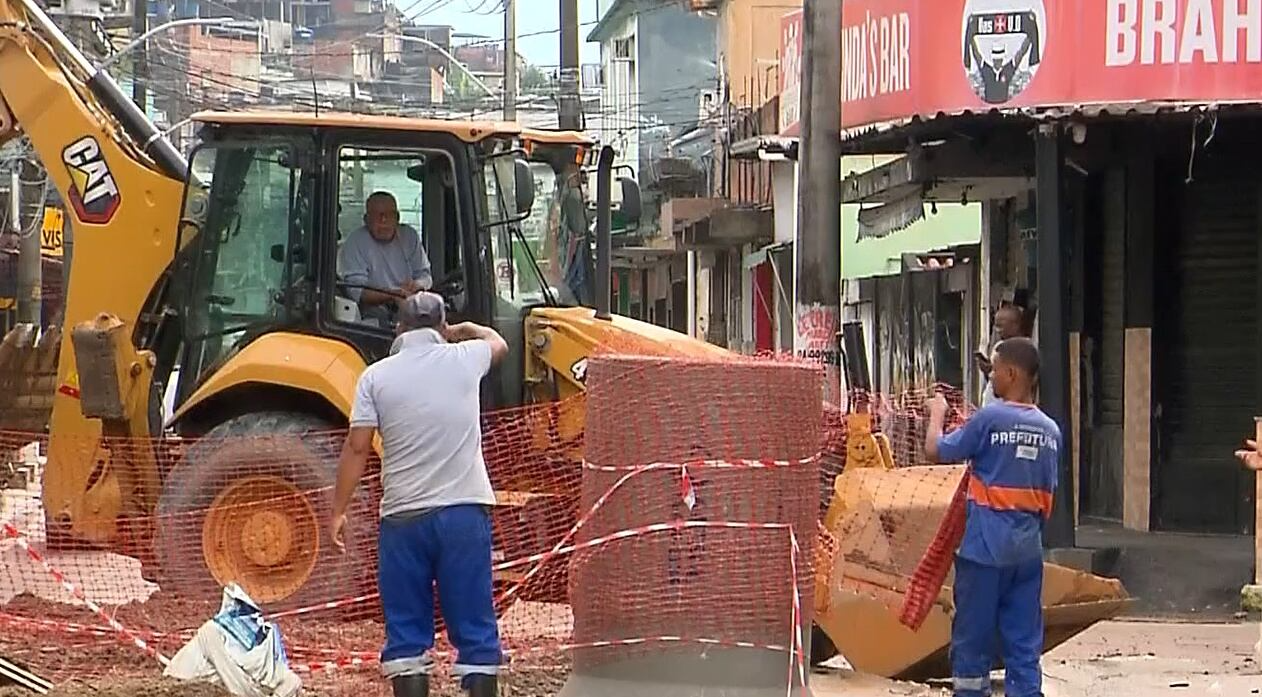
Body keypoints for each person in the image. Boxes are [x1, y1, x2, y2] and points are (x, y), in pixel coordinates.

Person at [328, 291, 509, 697]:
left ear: (399, 327)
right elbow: (499, 343)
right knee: (476, 628)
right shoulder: (466, 358)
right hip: (464, 513)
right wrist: (464, 330)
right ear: (442, 327)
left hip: (403, 519)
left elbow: (357, 447)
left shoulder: (375, 376)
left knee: (407, 631)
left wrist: (338, 510)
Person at [924, 337, 1061, 697]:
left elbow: (936, 450)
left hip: (983, 553)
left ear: (1012, 373)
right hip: (1027, 554)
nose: (991, 378)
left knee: (972, 641)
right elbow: (1049, 500)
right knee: (1024, 644)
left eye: (994, 370)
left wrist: (936, 413)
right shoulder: (1051, 431)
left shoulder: (990, 419)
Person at [338, 191, 433, 324]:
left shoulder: (409, 237)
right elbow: (357, 292)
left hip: (410, 301)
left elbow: (425, 276)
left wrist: (416, 285)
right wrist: (393, 294)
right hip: (374, 309)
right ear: (366, 220)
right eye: (378, 216)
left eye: (389, 215)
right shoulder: (355, 242)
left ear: (398, 218)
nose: (384, 221)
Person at [977, 304, 1028, 406]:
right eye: (996, 326)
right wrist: (988, 371)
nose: (997, 330)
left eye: (1001, 325)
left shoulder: (1025, 349)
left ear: (1015, 325)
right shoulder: (999, 346)